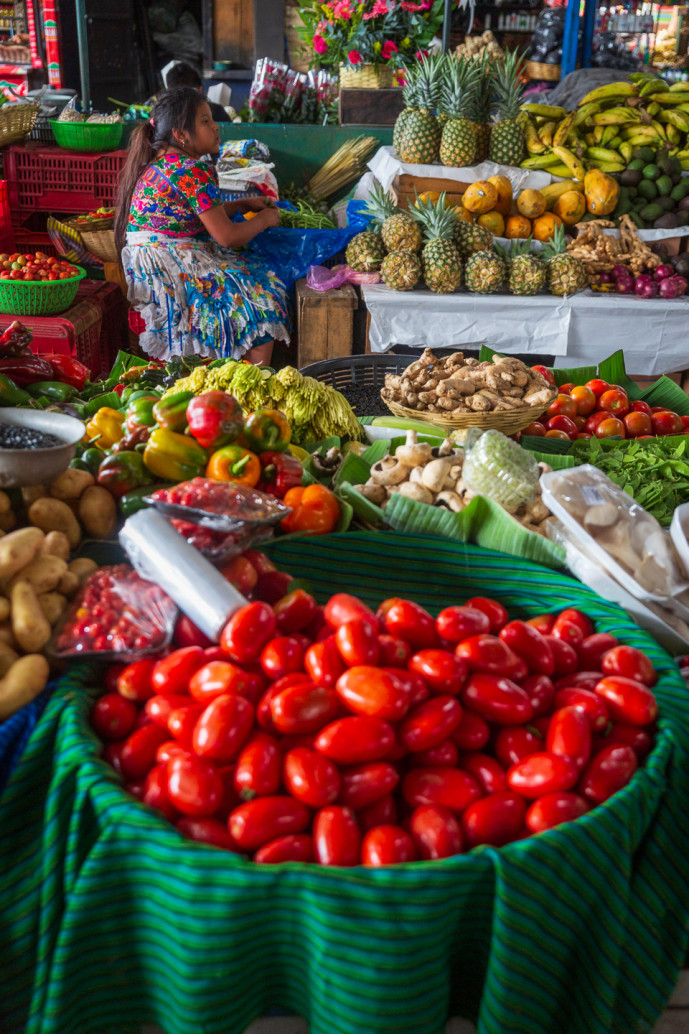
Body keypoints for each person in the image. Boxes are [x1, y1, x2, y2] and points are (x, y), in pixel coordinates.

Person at [114, 87, 289, 366]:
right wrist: (265, 219)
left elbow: (193, 214)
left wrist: (241, 205)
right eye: (205, 121)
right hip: (169, 265)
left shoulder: (162, 162)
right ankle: (251, 387)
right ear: (181, 134)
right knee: (264, 302)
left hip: (150, 261)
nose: (215, 127)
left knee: (249, 272)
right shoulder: (192, 169)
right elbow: (227, 237)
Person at [163, 62, 231, 124]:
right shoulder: (216, 111)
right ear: (200, 89)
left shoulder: (163, 116)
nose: (215, 127)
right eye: (205, 121)